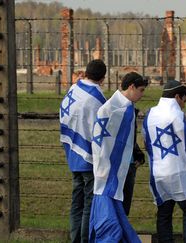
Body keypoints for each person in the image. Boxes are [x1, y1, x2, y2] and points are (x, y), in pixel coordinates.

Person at [142, 80, 186, 243]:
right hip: (177, 171)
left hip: (158, 173)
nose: (184, 105)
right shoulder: (175, 115)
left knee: (164, 214)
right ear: (177, 97)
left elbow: (146, 142)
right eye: (184, 100)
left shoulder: (150, 114)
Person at [89, 71, 148, 243]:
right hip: (111, 173)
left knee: (120, 213)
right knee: (112, 221)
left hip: (120, 169)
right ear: (131, 87)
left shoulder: (123, 108)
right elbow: (104, 142)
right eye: (141, 90)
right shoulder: (114, 110)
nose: (142, 95)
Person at [59, 59, 107, 243]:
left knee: (76, 202)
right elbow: (101, 128)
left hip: (73, 153)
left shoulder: (73, 90)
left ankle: (74, 239)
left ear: (86, 72)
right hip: (88, 157)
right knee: (88, 203)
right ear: (103, 78)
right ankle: (85, 240)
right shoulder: (97, 98)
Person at [122, 107, 146, 216]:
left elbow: (130, 139)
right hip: (121, 166)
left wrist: (138, 154)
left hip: (130, 164)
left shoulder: (130, 113)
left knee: (124, 207)